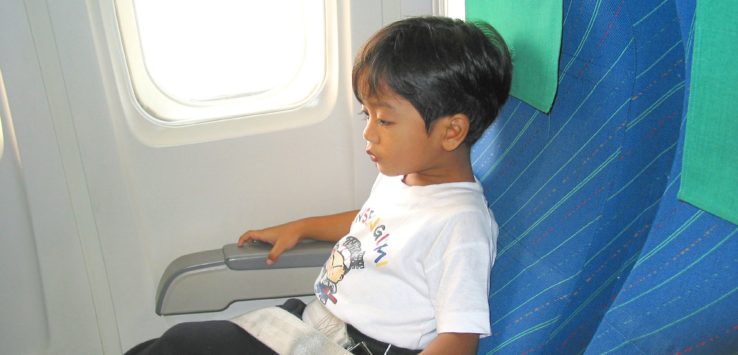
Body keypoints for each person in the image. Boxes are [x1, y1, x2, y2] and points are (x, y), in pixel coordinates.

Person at [126, 16, 511, 355]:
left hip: (361, 347)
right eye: (367, 114)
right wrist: (302, 227)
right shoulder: (405, 176)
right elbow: (373, 223)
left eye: (385, 121)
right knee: (176, 345)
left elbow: (460, 339)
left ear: (451, 131)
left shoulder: (461, 226)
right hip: (315, 323)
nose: (368, 133)